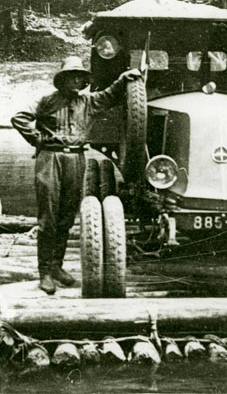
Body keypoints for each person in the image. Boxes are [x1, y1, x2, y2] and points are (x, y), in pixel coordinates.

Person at [11, 56, 140, 294]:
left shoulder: (88, 102)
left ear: (83, 81)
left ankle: (57, 266)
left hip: (77, 159)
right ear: (61, 80)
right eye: (70, 76)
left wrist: (123, 79)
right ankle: (45, 273)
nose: (75, 80)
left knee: (67, 215)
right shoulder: (46, 101)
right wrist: (37, 138)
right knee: (48, 217)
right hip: (50, 159)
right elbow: (20, 117)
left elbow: (111, 95)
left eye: (79, 76)